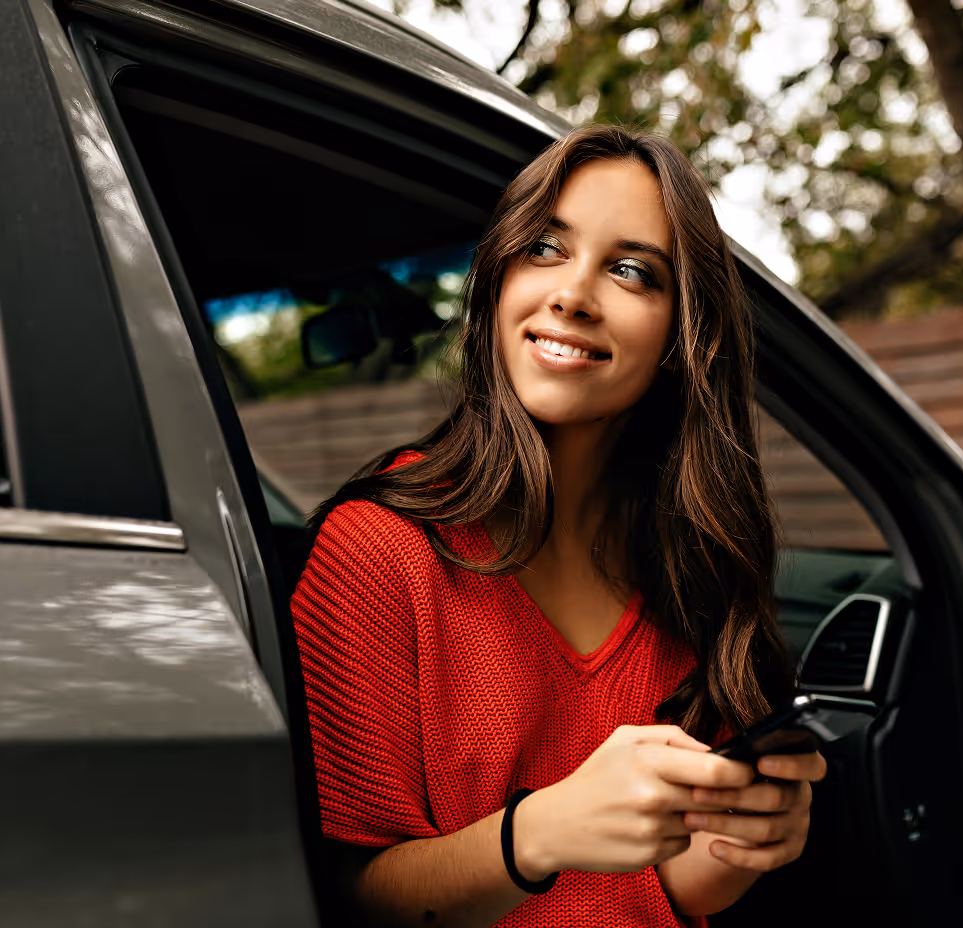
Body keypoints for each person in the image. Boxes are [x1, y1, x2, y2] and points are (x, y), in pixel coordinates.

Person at [290, 124, 827, 928]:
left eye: (630, 271)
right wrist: (536, 834)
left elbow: (636, 895)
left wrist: (727, 853)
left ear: (682, 339)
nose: (573, 293)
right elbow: (354, 901)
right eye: (544, 247)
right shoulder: (375, 550)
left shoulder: (689, 569)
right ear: (496, 282)